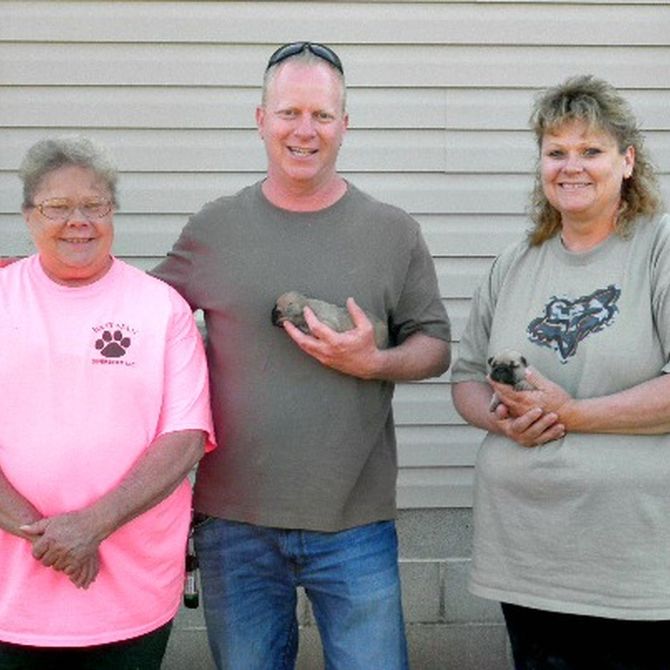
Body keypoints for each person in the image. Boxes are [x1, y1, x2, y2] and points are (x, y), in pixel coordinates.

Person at [152, 41, 451, 669]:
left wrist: (375, 363)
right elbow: (142, 317)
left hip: (355, 522)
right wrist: (46, 280)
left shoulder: (394, 231)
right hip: (233, 521)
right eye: (289, 113)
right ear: (260, 119)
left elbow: (435, 347)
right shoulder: (214, 227)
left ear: (345, 124)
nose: (305, 130)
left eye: (321, 115)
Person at [451, 74, 670, 669]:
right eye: (556, 152)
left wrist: (573, 414)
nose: (571, 167)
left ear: (627, 162)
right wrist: (502, 424)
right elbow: (466, 378)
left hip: (635, 569)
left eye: (591, 151)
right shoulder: (515, 261)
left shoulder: (659, 246)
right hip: (526, 558)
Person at [0, 136, 215, 669]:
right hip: (11, 593)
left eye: (94, 205)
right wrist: (47, 535)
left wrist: (90, 525)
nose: (79, 220)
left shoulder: (161, 307)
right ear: (29, 216)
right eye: (57, 206)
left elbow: (185, 437)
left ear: (112, 212)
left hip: (132, 590)